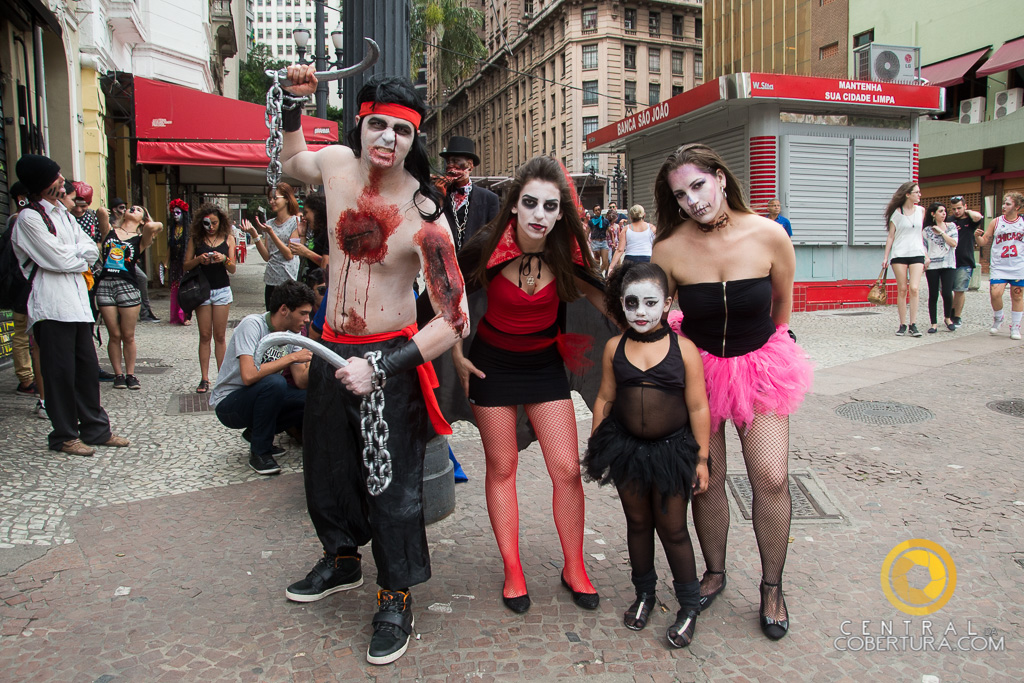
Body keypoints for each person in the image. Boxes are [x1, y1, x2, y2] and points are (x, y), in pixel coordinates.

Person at [279, 68, 470, 666]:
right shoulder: (335, 165)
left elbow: (453, 317)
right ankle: (341, 560)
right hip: (331, 343)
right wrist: (292, 103)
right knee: (327, 464)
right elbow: (290, 164)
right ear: (362, 124)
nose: (388, 139)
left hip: (389, 358)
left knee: (392, 484)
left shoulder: (425, 215)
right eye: (379, 125)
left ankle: (395, 593)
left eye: (403, 131)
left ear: (416, 140)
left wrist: (384, 367)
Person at [651, 143, 813, 641]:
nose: (692, 201)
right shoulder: (669, 247)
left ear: (721, 178)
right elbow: (652, 310)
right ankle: (715, 571)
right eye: (681, 194)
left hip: (761, 367)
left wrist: (774, 348)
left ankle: (772, 586)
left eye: (699, 185)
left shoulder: (769, 235)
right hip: (698, 376)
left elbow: (783, 303)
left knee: (771, 477)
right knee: (708, 480)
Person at [452, 155, 607, 616]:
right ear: (515, 205)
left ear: (562, 212)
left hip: (544, 366)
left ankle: (574, 566)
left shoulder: (568, 251)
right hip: (491, 366)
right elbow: (445, 292)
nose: (540, 214)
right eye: (531, 203)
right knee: (502, 469)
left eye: (551, 206)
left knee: (567, 469)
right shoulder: (485, 246)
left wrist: (658, 334)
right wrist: (456, 351)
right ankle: (513, 569)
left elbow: (606, 300)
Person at [583, 261, 710, 648]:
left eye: (650, 303)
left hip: (673, 453)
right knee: (637, 524)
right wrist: (597, 444)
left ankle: (688, 605)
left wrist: (702, 459)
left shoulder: (683, 349)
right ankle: (645, 594)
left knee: (672, 529)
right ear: (620, 303)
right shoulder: (614, 347)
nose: (640, 312)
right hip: (627, 450)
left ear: (667, 304)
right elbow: (605, 396)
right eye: (631, 302)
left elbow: (699, 407)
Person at [10, 154, 130, 456]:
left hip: (77, 305)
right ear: (43, 183)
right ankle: (64, 434)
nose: (62, 180)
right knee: (59, 374)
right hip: (51, 307)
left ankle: (95, 428)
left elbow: (91, 249)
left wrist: (73, 256)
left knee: (87, 370)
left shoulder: (63, 215)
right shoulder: (29, 219)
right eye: (56, 176)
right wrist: (73, 257)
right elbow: (56, 259)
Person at [209, 280, 315, 475]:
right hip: (229, 403)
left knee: (312, 397)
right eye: (303, 313)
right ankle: (260, 453)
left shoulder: (294, 334)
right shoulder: (253, 325)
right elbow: (248, 376)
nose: (307, 319)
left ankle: (257, 433)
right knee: (275, 383)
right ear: (284, 309)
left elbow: (300, 381)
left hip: (260, 396)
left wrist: (320, 363)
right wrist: (291, 357)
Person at [95, 204, 163, 389]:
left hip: (127, 285)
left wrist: (146, 220)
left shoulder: (141, 239)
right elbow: (101, 212)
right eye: (130, 207)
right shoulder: (109, 231)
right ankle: (118, 374)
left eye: (138, 209)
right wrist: (114, 213)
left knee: (128, 335)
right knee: (114, 334)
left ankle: (131, 374)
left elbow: (155, 226)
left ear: (142, 220)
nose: (133, 208)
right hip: (106, 284)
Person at [183, 204, 237, 394]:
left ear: (221, 222)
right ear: (201, 223)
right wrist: (200, 259)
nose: (211, 227)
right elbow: (186, 265)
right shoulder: (196, 239)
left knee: (220, 336)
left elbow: (232, 268)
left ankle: (221, 377)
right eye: (207, 223)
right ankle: (205, 378)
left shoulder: (229, 239)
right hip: (202, 290)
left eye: (214, 223)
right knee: (205, 335)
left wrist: (223, 259)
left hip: (222, 289)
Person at [242, 182, 300, 311]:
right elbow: (267, 256)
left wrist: (271, 233)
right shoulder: (270, 223)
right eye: (270, 198)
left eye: (275, 198)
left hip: (288, 280)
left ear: (286, 199)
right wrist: (255, 235)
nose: (272, 201)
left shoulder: (295, 222)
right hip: (271, 279)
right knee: (271, 318)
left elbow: (290, 254)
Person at [4, 181, 38, 399]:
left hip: (23, 284)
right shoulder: (20, 219)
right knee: (21, 331)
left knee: (24, 331)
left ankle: (29, 376)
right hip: (22, 284)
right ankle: (26, 378)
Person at [975, 192, 1024, 340]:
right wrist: (977, 236)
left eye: (1008, 204)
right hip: (999, 265)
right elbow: (984, 241)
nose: (1004, 206)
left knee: (1017, 295)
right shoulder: (996, 222)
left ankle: (1015, 327)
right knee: (995, 293)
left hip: (1017, 265)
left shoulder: (1022, 223)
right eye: (1003, 203)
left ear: (1017, 207)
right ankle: (999, 317)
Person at [439, 136, 500, 252]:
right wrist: (439, 196)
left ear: (470, 165)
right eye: (448, 162)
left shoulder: (489, 199)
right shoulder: (439, 194)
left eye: (456, 161)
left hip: (474, 264)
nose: (450, 166)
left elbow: (494, 237)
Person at [882, 182, 926, 337]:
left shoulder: (921, 211)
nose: (919, 195)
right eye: (917, 192)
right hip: (899, 253)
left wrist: (925, 253)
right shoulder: (896, 213)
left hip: (917, 252)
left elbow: (920, 233)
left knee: (914, 288)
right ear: (908, 194)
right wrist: (886, 257)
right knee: (902, 289)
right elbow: (891, 236)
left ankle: (913, 323)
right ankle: (902, 324)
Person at [921, 202, 958, 334]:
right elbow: (923, 246)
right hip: (933, 265)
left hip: (948, 264)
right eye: (940, 211)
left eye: (944, 211)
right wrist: (926, 257)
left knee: (947, 292)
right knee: (933, 294)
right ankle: (933, 323)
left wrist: (942, 232)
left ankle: (948, 318)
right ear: (933, 213)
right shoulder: (926, 230)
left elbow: (954, 243)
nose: (944, 214)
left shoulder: (951, 226)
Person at [949, 196, 983, 328]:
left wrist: (967, 212)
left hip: (965, 260)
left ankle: (957, 316)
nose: (956, 211)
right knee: (946, 290)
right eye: (954, 209)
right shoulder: (950, 220)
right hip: (950, 260)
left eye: (959, 208)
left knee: (960, 290)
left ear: (965, 207)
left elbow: (978, 217)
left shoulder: (970, 219)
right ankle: (950, 311)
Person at [288, 194, 329, 281]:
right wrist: (302, 234)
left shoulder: (328, 234)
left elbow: (327, 265)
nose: (304, 217)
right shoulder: (316, 232)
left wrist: (306, 253)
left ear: (317, 211)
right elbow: (302, 255)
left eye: (306, 212)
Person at [165, 198, 192, 325]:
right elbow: (170, 247)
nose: (175, 216)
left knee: (185, 289)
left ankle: (186, 316)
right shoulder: (173, 230)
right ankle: (176, 314)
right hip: (175, 263)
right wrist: (166, 262)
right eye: (173, 213)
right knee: (175, 287)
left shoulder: (189, 230)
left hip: (185, 263)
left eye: (178, 213)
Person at [609, 204, 656, 270]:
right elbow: (657, 246)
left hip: (629, 260)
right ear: (644, 215)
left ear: (630, 216)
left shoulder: (626, 229)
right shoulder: (652, 228)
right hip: (647, 259)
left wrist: (611, 267)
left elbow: (620, 250)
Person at [588, 204, 610, 274]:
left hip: (603, 241)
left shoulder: (605, 221)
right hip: (595, 242)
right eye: (596, 210)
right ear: (594, 212)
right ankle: (599, 276)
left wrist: (613, 241)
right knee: (597, 262)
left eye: (599, 209)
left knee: (605, 262)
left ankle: (597, 274)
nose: (598, 211)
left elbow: (609, 231)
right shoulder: (591, 221)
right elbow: (587, 231)